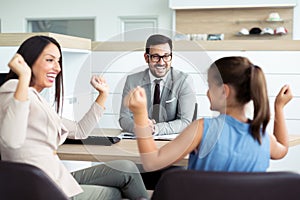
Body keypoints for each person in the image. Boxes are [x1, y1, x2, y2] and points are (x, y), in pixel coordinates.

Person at [0, 35, 148, 200]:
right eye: (50, 60)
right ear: (29, 61)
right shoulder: (13, 89)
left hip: (55, 178)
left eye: (58, 61)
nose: (57, 68)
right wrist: (24, 78)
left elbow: (80, 131)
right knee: (114, 194)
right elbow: (11, 140)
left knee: (127, 168)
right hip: (41, 188)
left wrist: (103, 94)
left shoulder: (36, 98)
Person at [125, 56, 292, 172]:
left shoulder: (203, 129)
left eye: (210, 85)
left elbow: (152, 162)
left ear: (224, 91)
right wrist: (279, 107)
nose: (207, 92)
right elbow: (283, 149)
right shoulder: (262, 137)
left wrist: (140, 114)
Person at [119, 34, 197, 136]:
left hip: (172, 142)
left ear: (171, 56)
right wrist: (140, 127)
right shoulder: (132, 80)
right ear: (147, 58)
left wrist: (155, 129)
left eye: (166, 56)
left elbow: (186, 121)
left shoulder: (184, 81)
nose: (161, 62)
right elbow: (124, 118)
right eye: (155, 57)